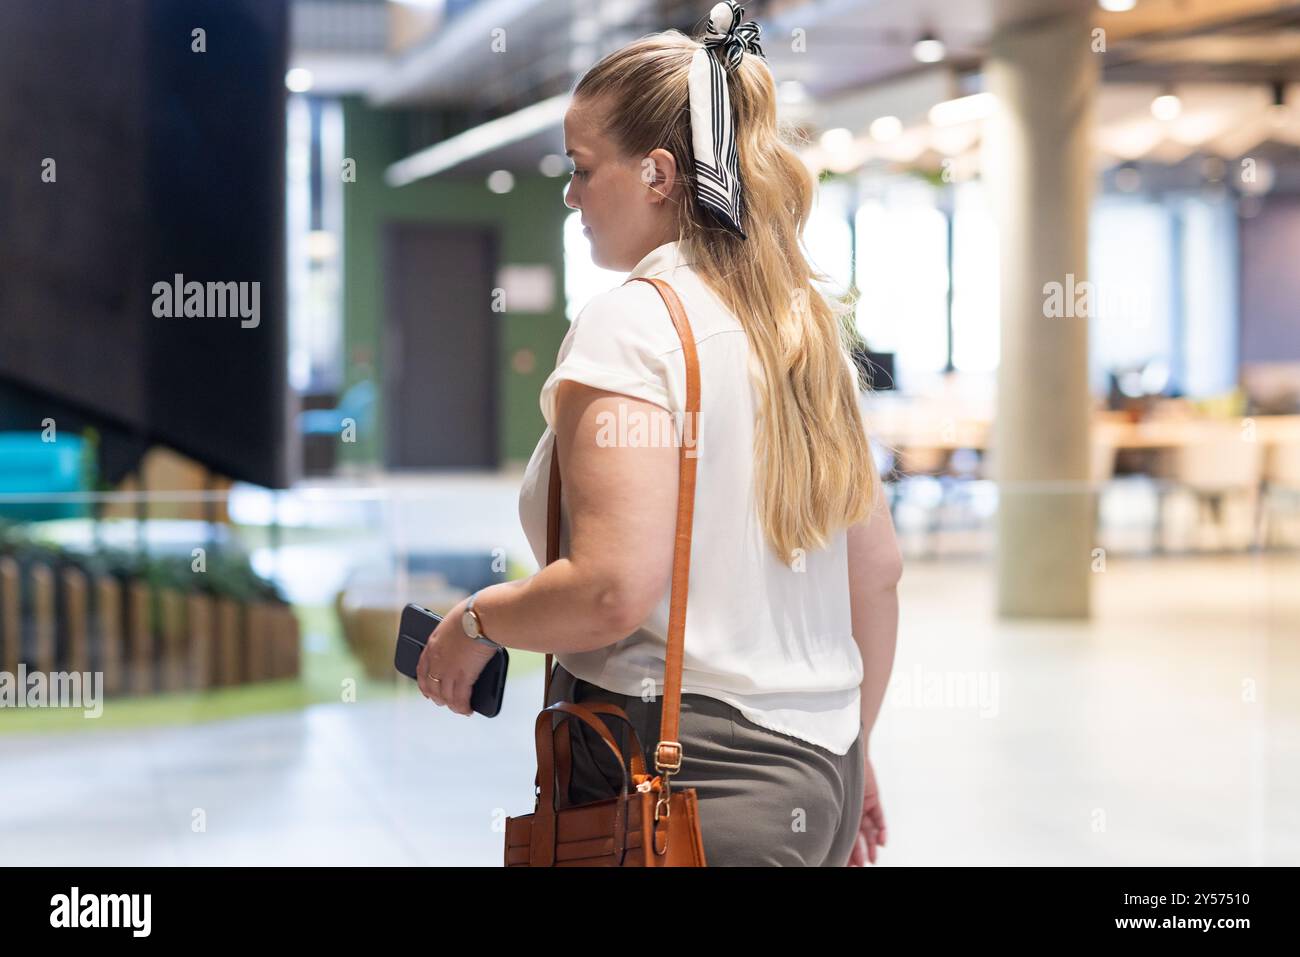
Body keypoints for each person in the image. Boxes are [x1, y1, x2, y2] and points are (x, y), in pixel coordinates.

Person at [417, 0, 902, 867]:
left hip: (684, 784)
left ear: (659, 174)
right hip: (816, 778)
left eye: (580, 168)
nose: (568, 195)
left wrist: (475, 620)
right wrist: (853, 752)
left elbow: (610, 589)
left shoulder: (634, 324)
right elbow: (878, 572)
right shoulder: (800, 327)